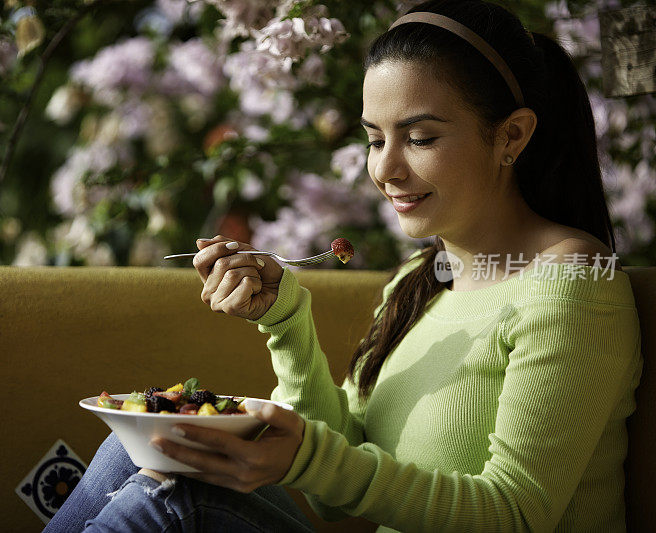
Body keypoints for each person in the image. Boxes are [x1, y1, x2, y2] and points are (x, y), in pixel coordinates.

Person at [46, 0, 642, 530]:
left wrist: (306, 455)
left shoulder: (570, 283)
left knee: (177, 499)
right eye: (374, 139)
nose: (385, 170)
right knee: (150, 445)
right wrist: (284, 319)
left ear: (511, 136)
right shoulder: (420, 280)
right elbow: (336, 494)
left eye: (421, 138)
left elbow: (515, 514)